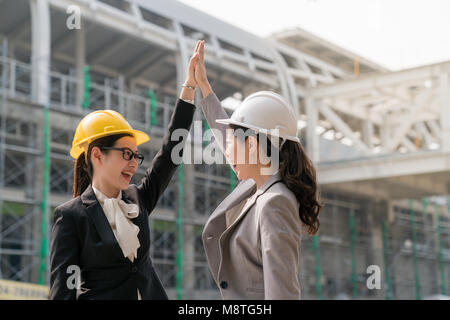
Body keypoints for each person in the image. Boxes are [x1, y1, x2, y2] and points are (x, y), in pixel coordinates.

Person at [49, 42, 202, 300]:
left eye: (137, 156)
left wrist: (189, 87)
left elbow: (168, 155)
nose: (134, 163)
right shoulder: (71, 217)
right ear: (97, 155)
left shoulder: (137, 199)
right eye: (126, 154)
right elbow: (62, 293)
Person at [194, 40, 322, 299]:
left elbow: (282, 292)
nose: (227, 153)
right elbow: (227, 136)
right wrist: (205, 89)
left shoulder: (274, 202)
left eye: (233, 145)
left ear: (252, 145)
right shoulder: (258, 186)